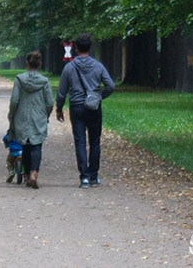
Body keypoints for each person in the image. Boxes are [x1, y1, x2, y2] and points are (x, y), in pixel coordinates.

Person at [56, 33, 115, 188]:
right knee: (95, 142)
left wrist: (59, 108)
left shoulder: (69, 68)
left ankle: (84, 177)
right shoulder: (98, 66)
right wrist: (99, 96)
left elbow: (62, 91)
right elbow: (110, 86)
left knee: (80, 142)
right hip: (93, 107)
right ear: (90, 47)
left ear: (76, 48)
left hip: (76, 106)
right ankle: (94, 176)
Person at [8, 51, 54, 189]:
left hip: (22, 116)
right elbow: (50, 102)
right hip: (38, 116)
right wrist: (45, 114)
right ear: (39, 64)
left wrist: (12, 114)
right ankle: (34, 174)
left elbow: (15, 100)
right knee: (37, 146)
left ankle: (27, 174)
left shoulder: (19, 80)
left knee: (25, 146)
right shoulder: (45, 82)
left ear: (27, 63)